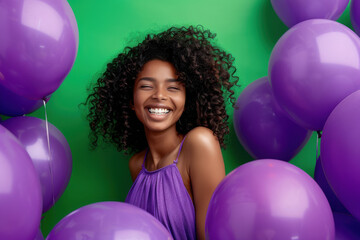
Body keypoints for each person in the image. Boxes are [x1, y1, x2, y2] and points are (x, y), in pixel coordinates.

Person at [85, 25, 239, 240]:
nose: (159, 95)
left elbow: (213, 236)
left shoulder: (199, 144)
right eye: (146, 86)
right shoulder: (136, 165)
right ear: (130, 100)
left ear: (187, 100)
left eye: (173, 88)